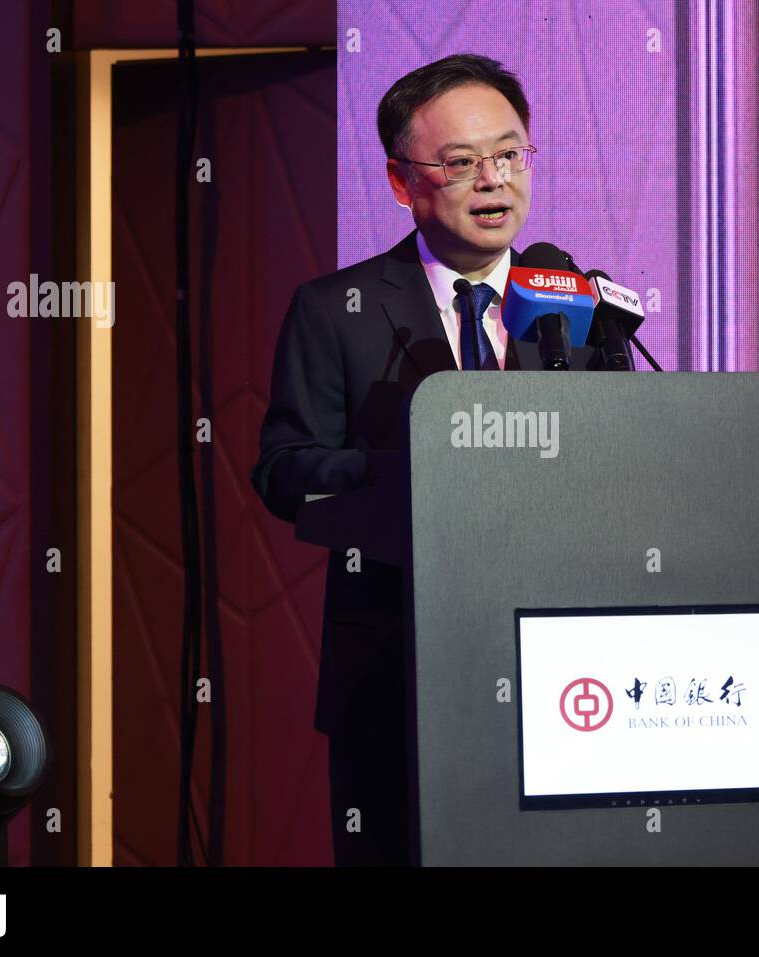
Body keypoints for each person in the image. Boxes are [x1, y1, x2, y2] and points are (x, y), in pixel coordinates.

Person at [249, 53, 610, 866]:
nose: (494, 180)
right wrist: (408, 474)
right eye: (460, 163)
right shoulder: (335, 309)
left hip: (566, 676)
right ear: (401, 181)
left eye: (510, 154)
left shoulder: (578, 305)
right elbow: (283, 467)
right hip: (394, 671)